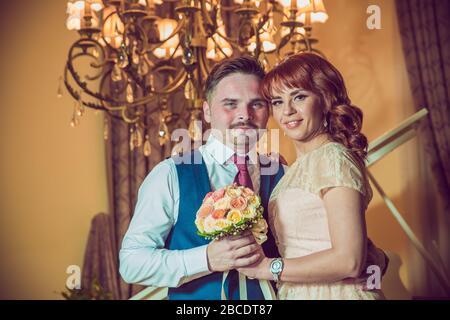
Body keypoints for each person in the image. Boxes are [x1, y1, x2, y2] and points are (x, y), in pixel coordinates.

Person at [119, 56, 285, 300]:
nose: (244, 115)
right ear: (207, 111)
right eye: (230, 103)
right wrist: (205, 259)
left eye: (257, 104)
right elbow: (132, 263)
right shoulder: (169, 175)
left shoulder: (283, 173)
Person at [237, 53, 387, 299]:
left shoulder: (333, 158)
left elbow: (349, 261)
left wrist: (267, 267)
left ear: (325, 98)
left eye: (299, 96)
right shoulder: (294, 168)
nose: (287, 111)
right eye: (277, 101)